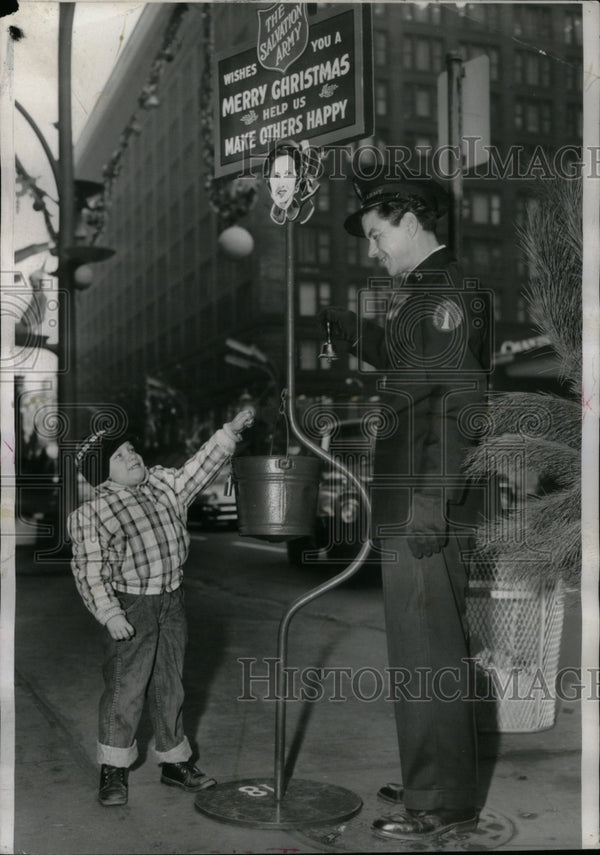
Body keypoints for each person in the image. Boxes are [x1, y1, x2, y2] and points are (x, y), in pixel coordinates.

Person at [320, 172, 489, 842]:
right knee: (418, 652)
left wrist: (431, 501)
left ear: (414, 219)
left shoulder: (446, 294)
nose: (373, 250)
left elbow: (461, 400)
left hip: (424, 501)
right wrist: (355, 333)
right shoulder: (423, 297)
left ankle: (442, 804)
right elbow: (411, 367)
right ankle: (431, 781)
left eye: (377, 234)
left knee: (429, 654)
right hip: (411, 498)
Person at [68, 409, 254, 807]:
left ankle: (175, 762)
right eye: (120, 456)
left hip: (172, 600)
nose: (133, 456)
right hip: (131, 606)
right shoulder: (93, 513)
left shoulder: (163, 486)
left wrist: (228, 434)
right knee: (126, 687)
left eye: (131, 449)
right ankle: (113, 769)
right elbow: (90, 570)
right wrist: (110, 613)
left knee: (171, 683)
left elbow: (197, 469)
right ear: (103, 474)